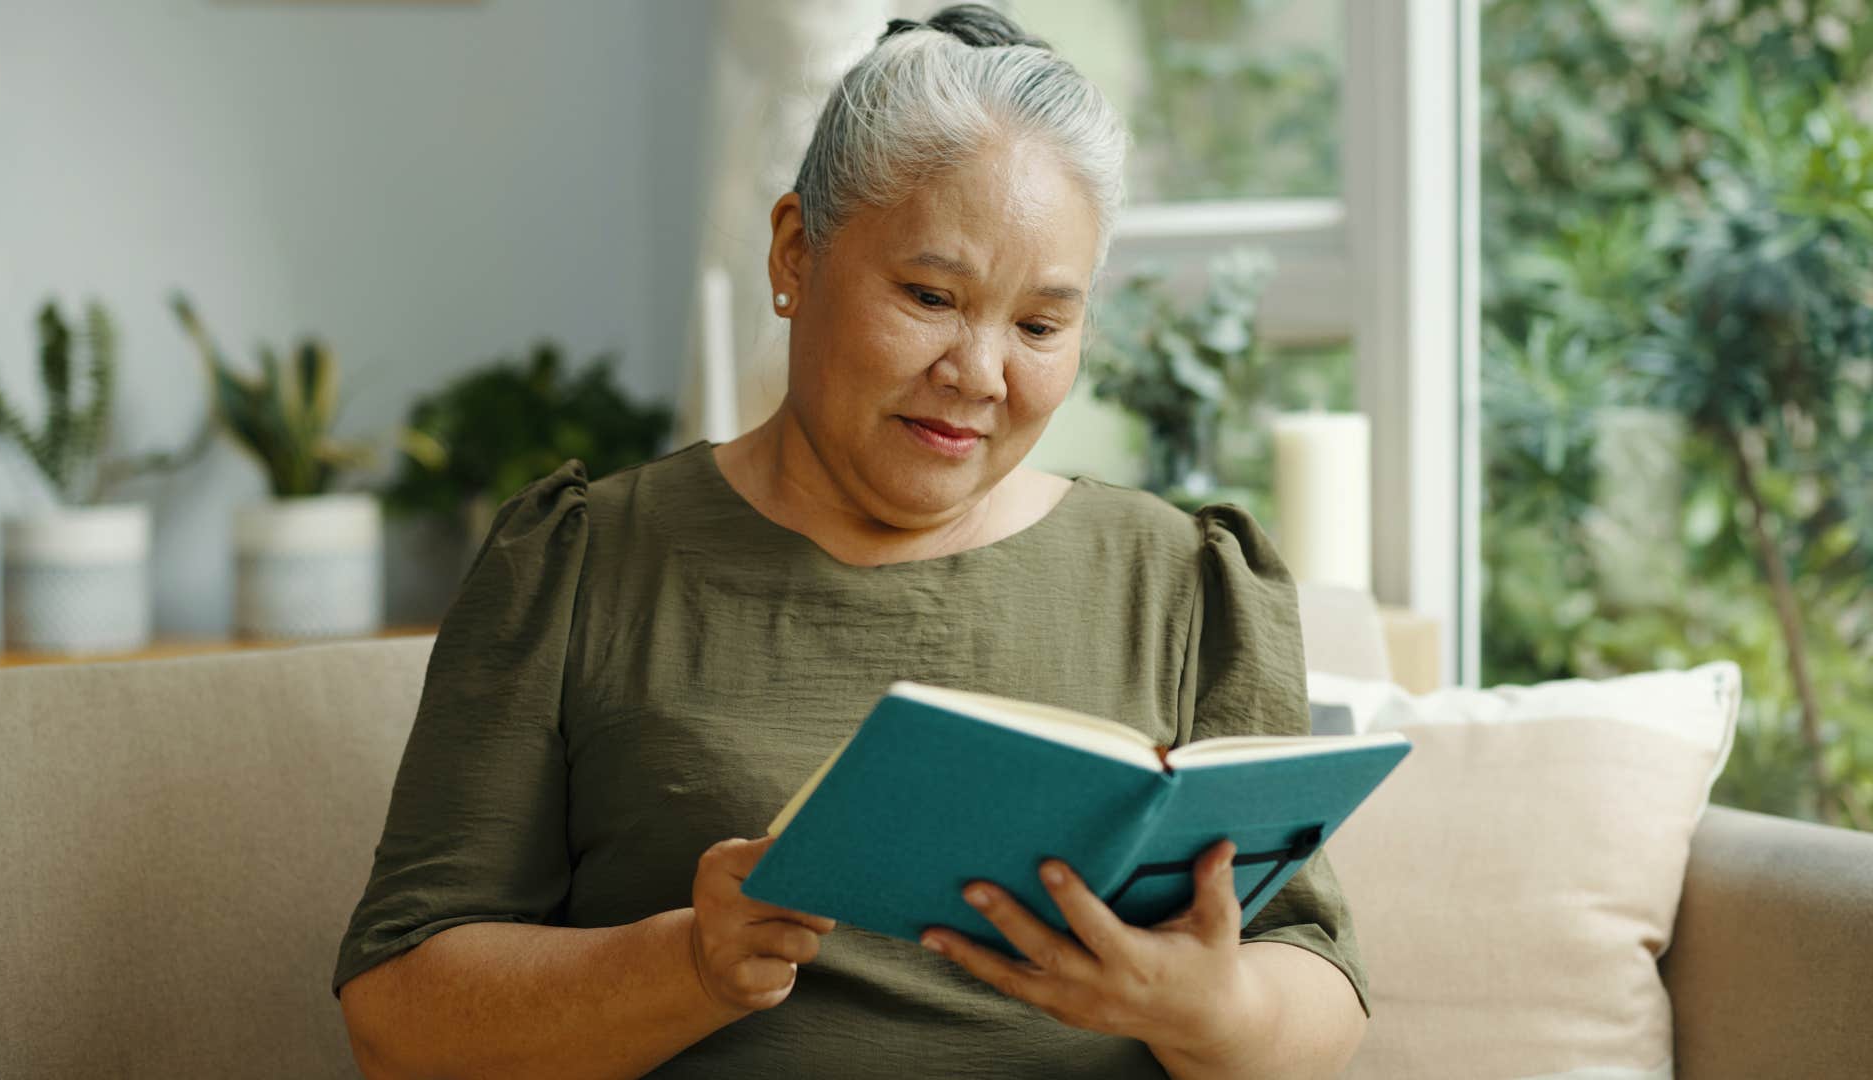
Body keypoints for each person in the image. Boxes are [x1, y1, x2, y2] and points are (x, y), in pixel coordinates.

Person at [333, 6, 1368, 1077]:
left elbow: (1318, 990)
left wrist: (1217, 1008)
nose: (979, 372)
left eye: (1040, 326)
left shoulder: (1186, 582)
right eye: (930, 296)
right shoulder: (581, 561)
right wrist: (688, 966)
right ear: (796, 254)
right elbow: (397, 1020)